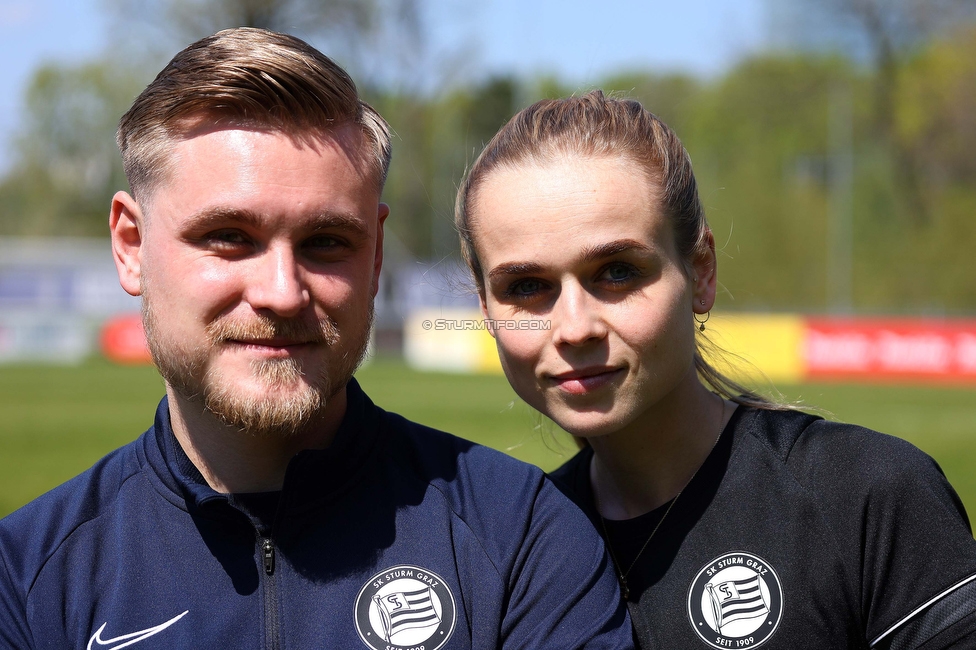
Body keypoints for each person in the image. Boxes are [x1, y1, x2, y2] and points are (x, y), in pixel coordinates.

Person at [0, 31, 635, 649]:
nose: (281, 292)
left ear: (378, 252)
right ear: (131, 246)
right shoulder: (27, 578)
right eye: (229, 236)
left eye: (326, 242)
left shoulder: (521, 536)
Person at [455, 90, 976, 649]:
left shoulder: (870, 497)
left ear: (700, 272)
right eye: (527, 288)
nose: (575, 327)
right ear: (486, 310)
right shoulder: (513, 549)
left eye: (617, 272)